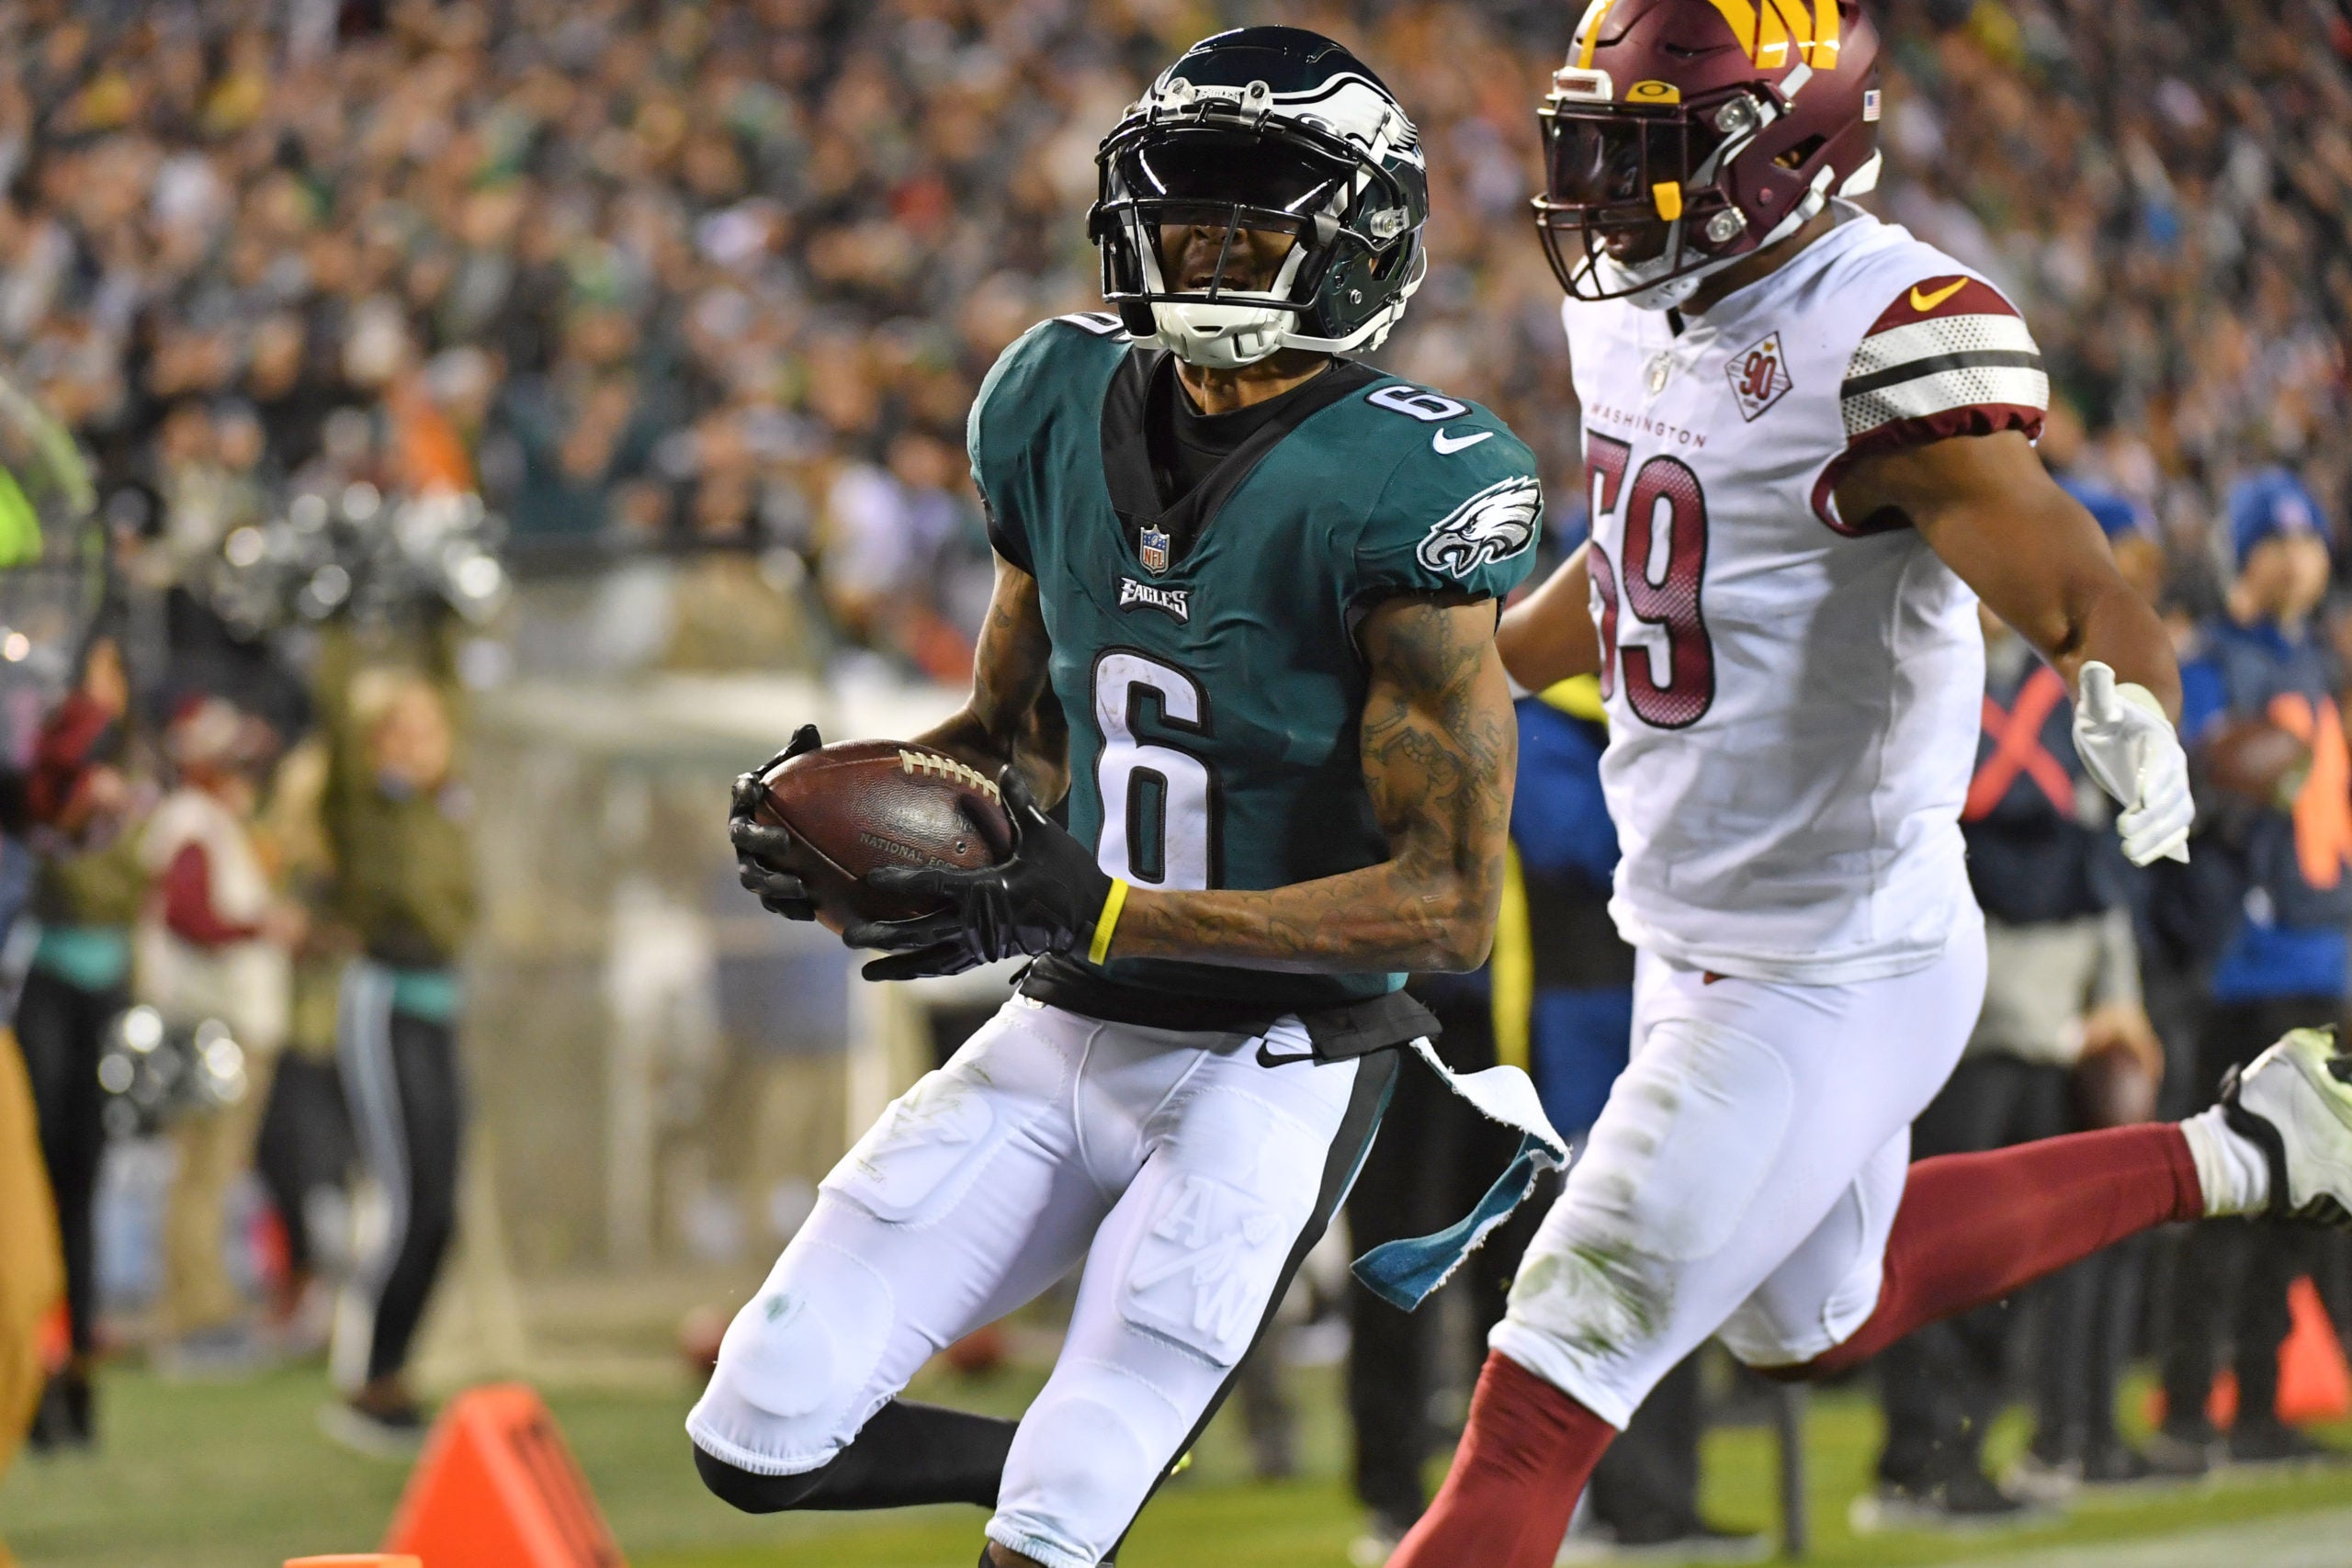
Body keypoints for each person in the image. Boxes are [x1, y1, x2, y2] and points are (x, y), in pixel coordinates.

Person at [1388, 6, 2351, 1564]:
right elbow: (1655, 556)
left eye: (1653, 153)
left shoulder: (1878, 328)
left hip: (1827, 957)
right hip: (1694, 930)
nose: (1605, 192)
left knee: (1544, 1383)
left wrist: (2135, 704)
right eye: (1602, 143)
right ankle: (2246, 1151)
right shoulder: (1633, 307)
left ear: (1790, 144)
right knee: (1813, 1314)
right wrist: (1478, 661)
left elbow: (2080, 588)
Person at [697, 31, 1554, 1568]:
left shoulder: (1407, 482)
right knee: (756, 1436)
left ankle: (1080, 1485)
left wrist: (1097, 899)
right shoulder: (1051, 393)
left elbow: (1448, 907)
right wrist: (855, 815)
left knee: (1050, 1542)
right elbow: (1008, 733)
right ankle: (1075, 1464)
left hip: (1275, 1058)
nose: (1202, 249)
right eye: (1183, 213)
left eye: (1251, 219)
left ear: (1360, 247)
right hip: (1069, 1013)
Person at [1866, 607, 2164, 1524]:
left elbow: (2098, 854)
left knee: (2006, 1260)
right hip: (1952, 1016)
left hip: (2047, 1021)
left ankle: (1969, 1448)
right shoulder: (1914, 677)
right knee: (1936, 1254)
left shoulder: (2059, 700)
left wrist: (2118, 993)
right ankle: (1914, 1460)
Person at [2153, 468, 2351, 1472]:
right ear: (2246, 552)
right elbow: (2199, 776)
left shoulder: (2313, 661)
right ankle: (2191, 1404)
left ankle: (2261, 1408)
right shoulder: (2216, 658)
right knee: (2231, 1197)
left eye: (2310, 540)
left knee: (2307, 1203)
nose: (2301, 558)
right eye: (2280, 540)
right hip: (2247, 966)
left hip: (2323, 956)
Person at [316, 635, 477, 1456]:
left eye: (427, 727)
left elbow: (457, 690)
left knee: (443, 1208)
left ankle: (395, 1370)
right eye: (398, 729)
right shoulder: (361, 809)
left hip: (441, 1005)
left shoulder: (449, 805)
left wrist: (438, 612)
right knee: (406, 1199)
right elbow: (338, 722)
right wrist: (338, 616)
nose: (416, 742)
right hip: (382, 1002)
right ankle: (366, 1378)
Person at [137, 694, 296, 1376]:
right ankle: (195, 1315)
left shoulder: (213, 823)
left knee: (207, 1171)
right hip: (213, 1023)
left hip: (221, 1021)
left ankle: (199, 1306)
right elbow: (191, 917)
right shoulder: (193, 824)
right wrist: (260, 928)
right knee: (202, 1172)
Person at [18, 640, 144, 1445]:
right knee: (29, 1187)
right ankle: (32, 1375)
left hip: (105, 988)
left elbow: (127, 883)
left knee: (81, 1189)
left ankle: (80, 1376)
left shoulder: (134, 765)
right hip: (37, 985)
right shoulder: (33, 746)